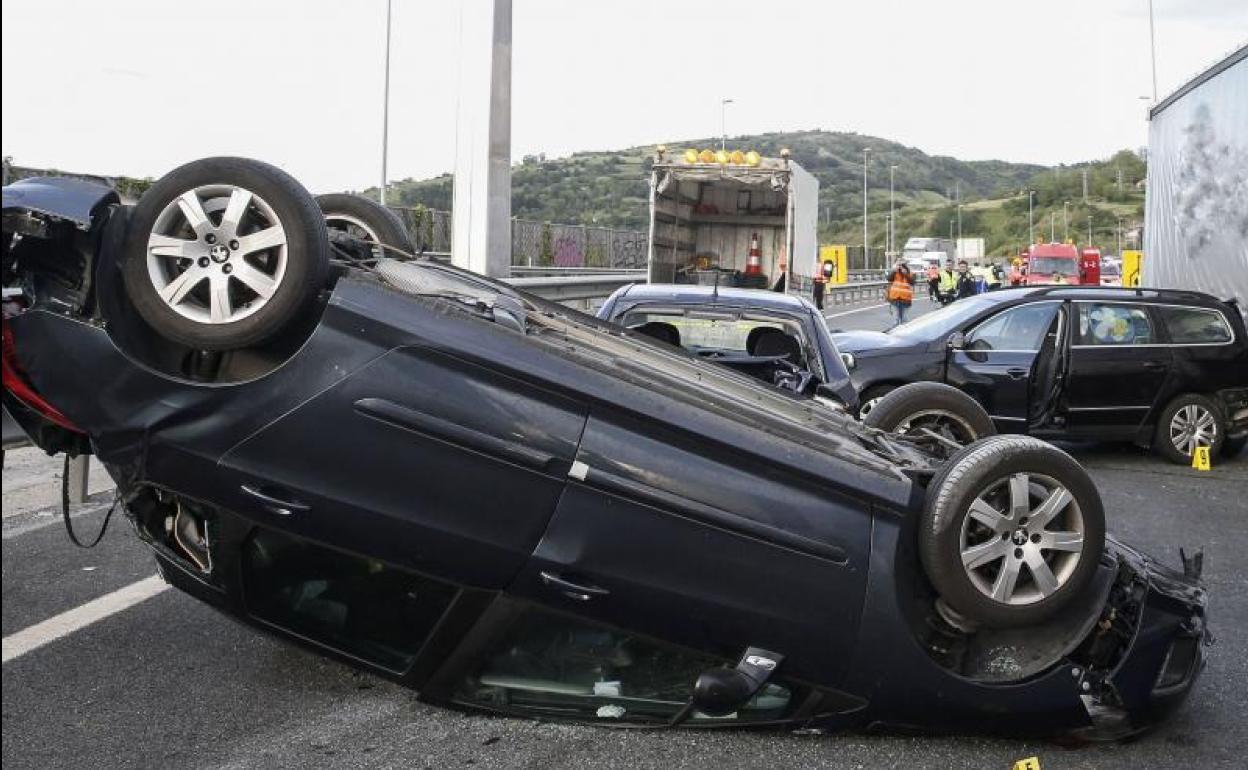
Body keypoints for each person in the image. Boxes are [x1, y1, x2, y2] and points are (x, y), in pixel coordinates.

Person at [886, 260, 915, 326]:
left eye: (902, 265)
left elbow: (913, 282)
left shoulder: (910, 273)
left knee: (904, 319)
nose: (900, 267)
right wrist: (894, 271)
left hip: (906, 299)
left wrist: (906, 274)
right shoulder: (895, 272)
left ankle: (905, 333)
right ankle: (896, 332)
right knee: (896, 319)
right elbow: (889, 279)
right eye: (899, 265)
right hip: (895, 298)